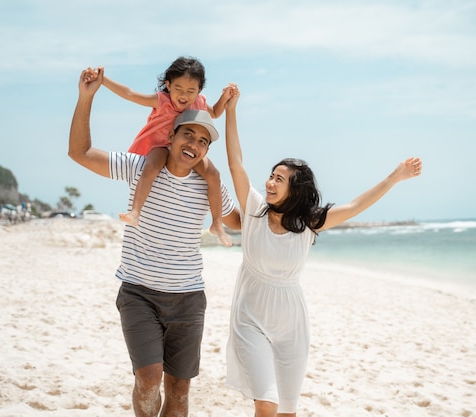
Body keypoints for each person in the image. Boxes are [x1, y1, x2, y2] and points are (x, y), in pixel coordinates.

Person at [223, 89, 422, 416]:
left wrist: (396, 177)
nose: (270, 183)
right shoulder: (254, 209)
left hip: (292, 324)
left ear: (295, 189)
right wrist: (231, 110)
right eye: (271, 176)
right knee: (266, 403)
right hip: (250, 319)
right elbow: (235, 162)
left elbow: (356, 205)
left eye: (279, 179)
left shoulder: (308, 223)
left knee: (287, 410)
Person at [69, 66, 241, 417]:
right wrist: (86, 97)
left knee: (179, 392)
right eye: (188, 135)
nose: (193, 144)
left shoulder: (210, 186)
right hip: (138, 294)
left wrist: (286, 218)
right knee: (148, 380)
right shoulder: (140, 166)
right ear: (172, 136)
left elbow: (239, 221)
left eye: (202, 140)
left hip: (189, 300)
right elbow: (81, 152)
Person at [83, 57, 236, 246]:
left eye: (191, 91)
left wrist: (225, 97)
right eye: (178, 89)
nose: (184, 95)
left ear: (199, 91)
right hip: (160, 147)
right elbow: (131, 94)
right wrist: (103, 80)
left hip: (185, 152)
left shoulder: (199, 102)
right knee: (152, 166)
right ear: (168, 85)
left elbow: (215, 113)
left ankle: (217, 224)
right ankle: (135, 211)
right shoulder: (161, 100)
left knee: (213, 174)